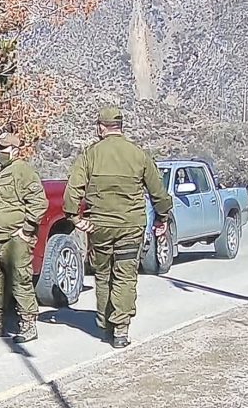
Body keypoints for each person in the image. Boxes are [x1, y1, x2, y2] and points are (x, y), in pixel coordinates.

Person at [63, 106, 173, 349]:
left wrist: (75, 218)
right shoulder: (138, 154)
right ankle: (121, 329)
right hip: (130, 227)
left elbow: (72, 191)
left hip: (99, 226)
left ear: (101, 127)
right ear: (120, 126)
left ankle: (105, 325)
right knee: (125, 275)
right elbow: (159, 194)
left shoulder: (90, 154)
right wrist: (161, 219)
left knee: (103, 275)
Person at [0, 132, 48, 343]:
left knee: (20, 281)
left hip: (14, 239)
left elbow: (39, 202)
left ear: (15, 151)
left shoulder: (21, 171)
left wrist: (27, 230)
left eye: (3, 148)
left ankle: (28, 324)